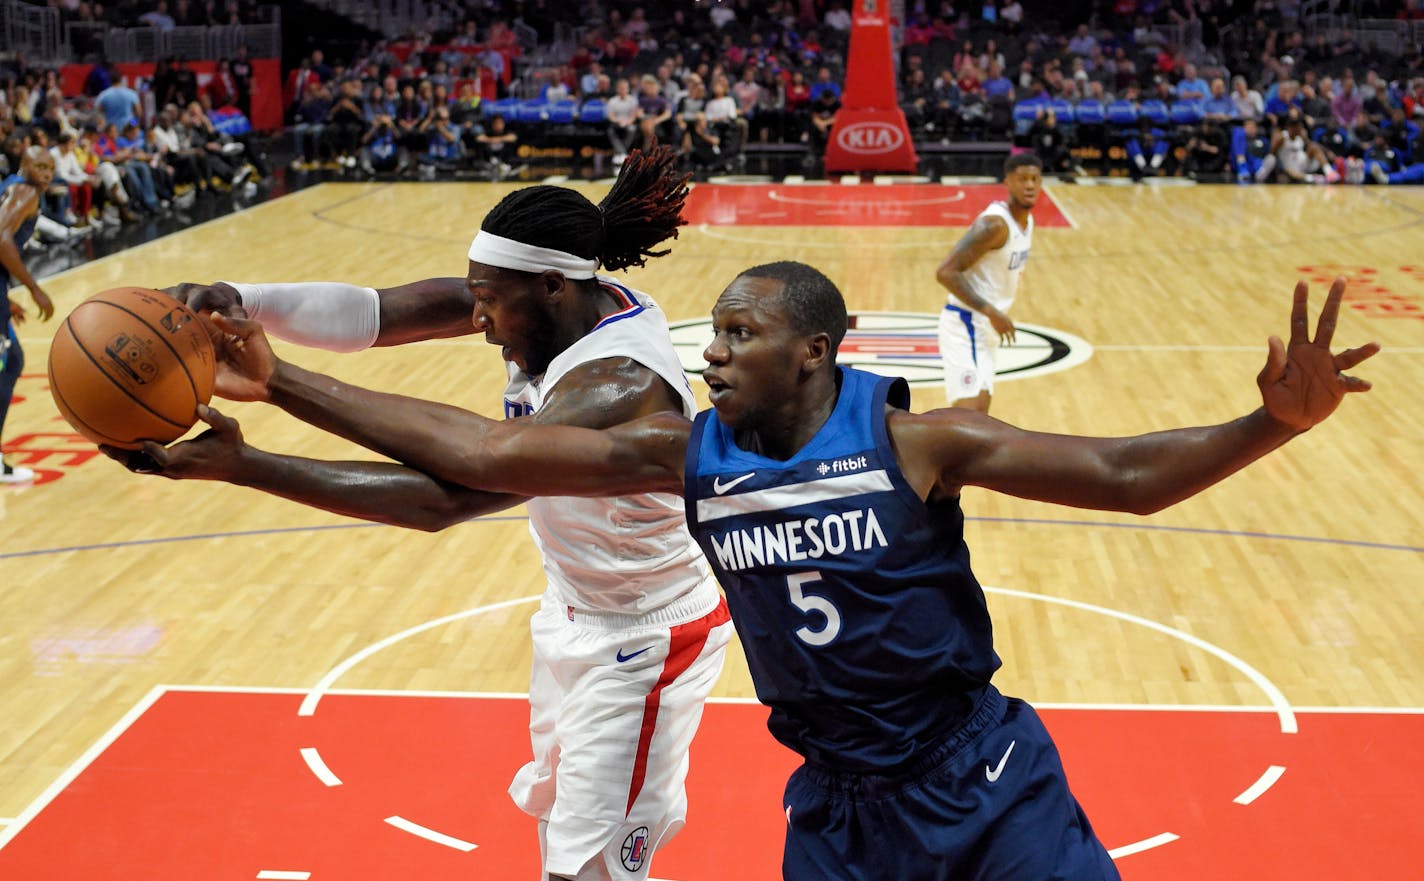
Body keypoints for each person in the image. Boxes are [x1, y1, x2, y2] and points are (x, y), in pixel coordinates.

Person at [121, 259, 1376, 881]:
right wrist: (276, 394)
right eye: (707, 330)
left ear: (816, 351)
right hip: (835, 805)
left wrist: (1267, 426)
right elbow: (483, 453)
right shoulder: (686, 454)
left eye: (738, 334)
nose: (708, 352)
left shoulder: (915, 442)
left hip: (981, 780)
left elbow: (1121, 473)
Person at [132, 147, 733, 881]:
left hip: (648, 637)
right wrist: (240, 300)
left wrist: (263, 426)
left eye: (487, 299)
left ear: (549, 287)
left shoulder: (618, 385)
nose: (474, 315)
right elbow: (377, 313)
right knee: (565, 840)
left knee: (587, 869)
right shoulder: (550, 304)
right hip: (576, 610)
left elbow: (448, 493)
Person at [934, 152, 1039, 412]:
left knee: (980, 414)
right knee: (969, 416)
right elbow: (946, 272)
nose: (1029, 185)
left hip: (986, 328)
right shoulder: (994, 225)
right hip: (966, 322)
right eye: (1022, 178)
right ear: (1007, 182)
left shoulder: (1027, 221)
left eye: (1035, 179)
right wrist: (992, 312)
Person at [0, 147, 56, 485]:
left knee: (14, 359)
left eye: (50, 168)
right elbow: (1, 238)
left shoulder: (11, 184)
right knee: (8, 364)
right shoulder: (26, 191)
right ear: (25, 165)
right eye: (39, 166)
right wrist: (34, 289)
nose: (46, 173)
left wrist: (7, 300)